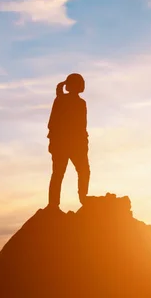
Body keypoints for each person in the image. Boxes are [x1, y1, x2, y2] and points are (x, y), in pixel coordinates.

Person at [47, 73, 90, 208]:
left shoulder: (81, 103)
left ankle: (83, 199)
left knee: (83, 171)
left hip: (77, 144)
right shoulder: (61, 100)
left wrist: (84, 142)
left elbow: (82, 125)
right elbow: (52, 123)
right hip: (63, 144)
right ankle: (53, 204)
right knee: (59, 173)